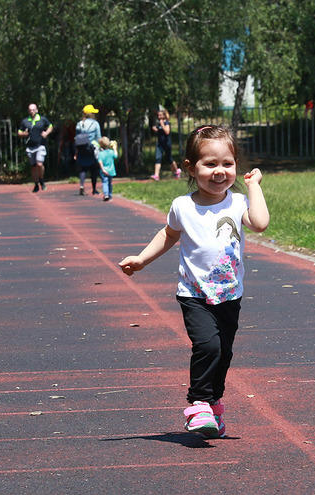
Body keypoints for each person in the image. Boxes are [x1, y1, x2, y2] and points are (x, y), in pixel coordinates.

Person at [118, 125, 270, 439]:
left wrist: (253, 186)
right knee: (207, 346)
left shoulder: (238, 203)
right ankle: (198, 403)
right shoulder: (182, 207)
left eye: (227, 164)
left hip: (229, 294)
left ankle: (213, 404)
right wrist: (142, 259)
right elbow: (168, 235)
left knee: (224, 353)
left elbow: (260, 223)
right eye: (210, 164)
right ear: (191, 167)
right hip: (194, 293)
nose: (220, 172)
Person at [17, 103, 54, 192]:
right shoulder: (25, 121)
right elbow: (19, 131)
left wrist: (46, 133)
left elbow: (50, 126)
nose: (32, 111)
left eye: (33, 110)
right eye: (30, 110)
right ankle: (36, 183)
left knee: (39, 164)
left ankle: (42, 180)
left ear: (36, 110)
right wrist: (23, 134)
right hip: (30, 147)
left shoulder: (42, 119)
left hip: (40, 145)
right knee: (33, 167)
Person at [74, 104, 101, 196]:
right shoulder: (95, 123)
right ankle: (94, 189)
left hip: (81, 147)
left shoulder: (79, 124)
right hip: (91, 148)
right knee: (93, 168)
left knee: (83, 168)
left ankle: (82, 185)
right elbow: (98, 137)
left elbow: (76, 137)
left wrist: (76, 151)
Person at [151, 109, 181, 181]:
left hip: (166, 144)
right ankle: (156, 175)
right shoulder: (159, 123)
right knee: (158, 158)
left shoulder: (167, 123)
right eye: (158, 115)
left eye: (160, 115)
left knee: (169, 159)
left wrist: (162, 125)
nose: (159, 116)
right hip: (160, 144)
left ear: (164, 115)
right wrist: (156, 129)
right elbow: (160, 131)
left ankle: (177, 170)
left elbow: (167, 132)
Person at [96, 136, 118, 202]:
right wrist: (115, 149)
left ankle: (106, 194)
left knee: (104, 182)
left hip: (104, 170)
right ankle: (110, 195)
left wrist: (102, 169)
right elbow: (116, 156)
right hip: (111, 170)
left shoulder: (101, 154)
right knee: (110, 183)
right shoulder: (111, 152)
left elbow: (100, 162)